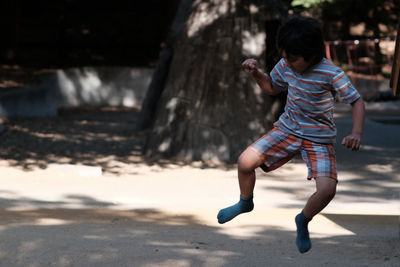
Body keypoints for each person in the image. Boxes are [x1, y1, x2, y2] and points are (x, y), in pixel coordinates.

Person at [217, 17, 365, 254]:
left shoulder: (332, 73)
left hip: (318, 138)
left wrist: (356, 132)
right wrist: (256, 73)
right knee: (245, 162)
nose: (286, 62)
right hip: (287, 129)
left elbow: (356, 102)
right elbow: (272, 87)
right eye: (284, 56)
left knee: (327, 190)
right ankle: (245, 202)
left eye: (293, 58)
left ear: (312, 54)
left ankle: (303, 219)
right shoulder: (286, 64)